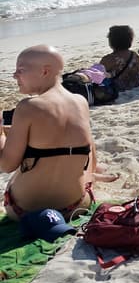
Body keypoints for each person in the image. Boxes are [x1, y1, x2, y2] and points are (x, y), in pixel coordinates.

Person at [2, 45, 97, 220]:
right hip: (76, 206)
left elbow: (6, 165)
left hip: (25, 210)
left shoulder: (28, 106)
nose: (15, 75)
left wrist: (1, 133)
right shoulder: (80, 102)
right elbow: (88, 149)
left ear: (45, 71)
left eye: (20, 70)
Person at [99, 25, 139, 92]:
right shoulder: (134, 55)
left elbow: (97, 77)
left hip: (118, 91)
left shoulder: (108, 59)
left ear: (112, 41)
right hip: (135, 87)